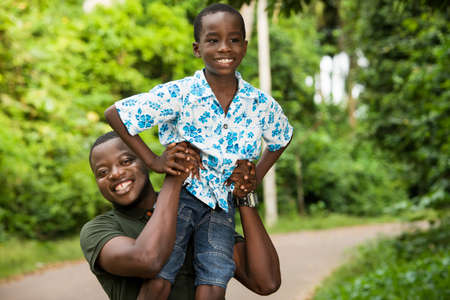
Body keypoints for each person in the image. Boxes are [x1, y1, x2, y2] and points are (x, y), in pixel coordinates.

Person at [104, 3, 293, 299]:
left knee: (215, 280)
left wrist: (255, 177)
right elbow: (117, 113)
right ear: (197, 48)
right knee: (160, 274)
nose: (224, 48)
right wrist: (154, 161)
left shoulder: (260, 105)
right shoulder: (180, 94)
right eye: (213, 40)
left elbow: (282, 138)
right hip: (181, 196)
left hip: (222, 205)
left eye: (233, 40)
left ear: (244, 47)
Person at [80, 131, 281, 300]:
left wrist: (243, 195)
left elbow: (266, 282)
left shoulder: (196, 208)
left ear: (146, 162)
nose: (114, 174)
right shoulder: (98, 230)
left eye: (126, 161)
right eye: (102, 172)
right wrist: (175, 176)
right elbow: (148, 259)